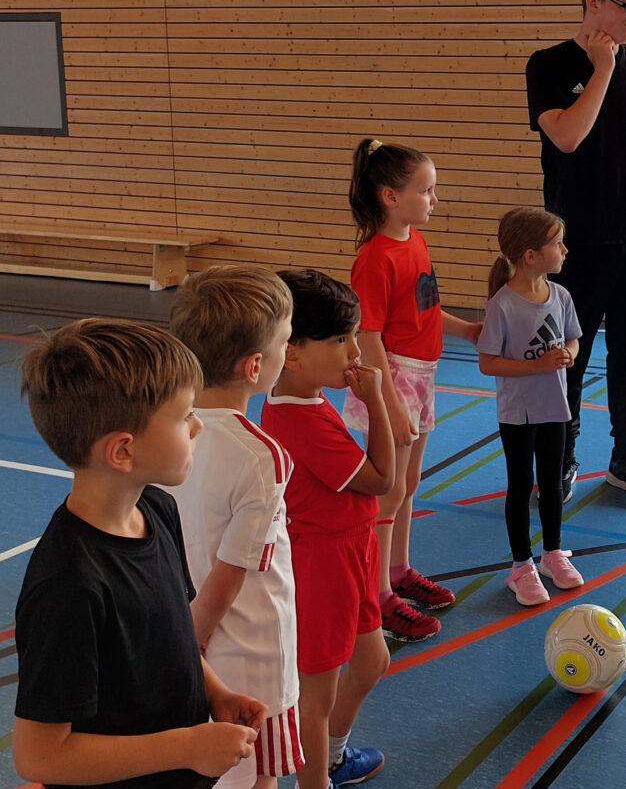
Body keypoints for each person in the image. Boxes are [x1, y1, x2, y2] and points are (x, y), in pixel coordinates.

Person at [13, 318, 264, 788]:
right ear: (123, 451)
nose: (197, 426)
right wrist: (187, 747)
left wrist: (215, 693)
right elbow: (40, 757)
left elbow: (173, 636)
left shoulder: (157, 508)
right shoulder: (70, 585)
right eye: (184, 415)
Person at [525, 0, 626, 504]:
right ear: (594, 2)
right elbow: (568, 136)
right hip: (575, 249)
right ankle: (563, 455)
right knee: (570, 357)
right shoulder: (547, 65)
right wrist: (603, 68)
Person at [260, 269, 394, 789]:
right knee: (316, 696)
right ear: (292, 354)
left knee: (371, 661)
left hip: (353, 550)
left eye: (353, 336)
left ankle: (334, 758)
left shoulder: (306, 399)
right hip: (324, 563)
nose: (355, 352)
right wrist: (376, 401)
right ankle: (314, 780)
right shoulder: (302, 422)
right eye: (340, 340)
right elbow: (382, 479)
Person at [169, 265, 302, 789]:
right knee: (255, 776)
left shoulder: (166, 429)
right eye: (285, 342)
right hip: (248, 649)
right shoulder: (261, 455)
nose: (288, 351)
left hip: (180, 633)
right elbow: (231, 572)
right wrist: (193, 642)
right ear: (255, 366)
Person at [344, 138, 481, 641]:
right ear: (390, 196)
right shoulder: (374, 258)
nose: (434, 200)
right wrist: (390, 406)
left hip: (422, 374)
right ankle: (378, 598)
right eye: (426, 191)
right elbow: (369, 338)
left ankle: (398, 570)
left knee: (410, 481)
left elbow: (424, 309)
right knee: (389, 490)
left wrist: (468, 330)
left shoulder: (415, 241)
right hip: (394, 377)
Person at [478, 207, 585, 606]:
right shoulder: (502, 306)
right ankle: (521, 565)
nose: (565, 250)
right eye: (558, 244)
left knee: (552, 483)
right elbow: (488, 362)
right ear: (530, 255)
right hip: (519, 414)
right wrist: (537, 365)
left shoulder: (561, 296)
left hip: (554, 407)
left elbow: (573, 338)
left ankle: (552, 553)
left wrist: (570, 354)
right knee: (522, 485)